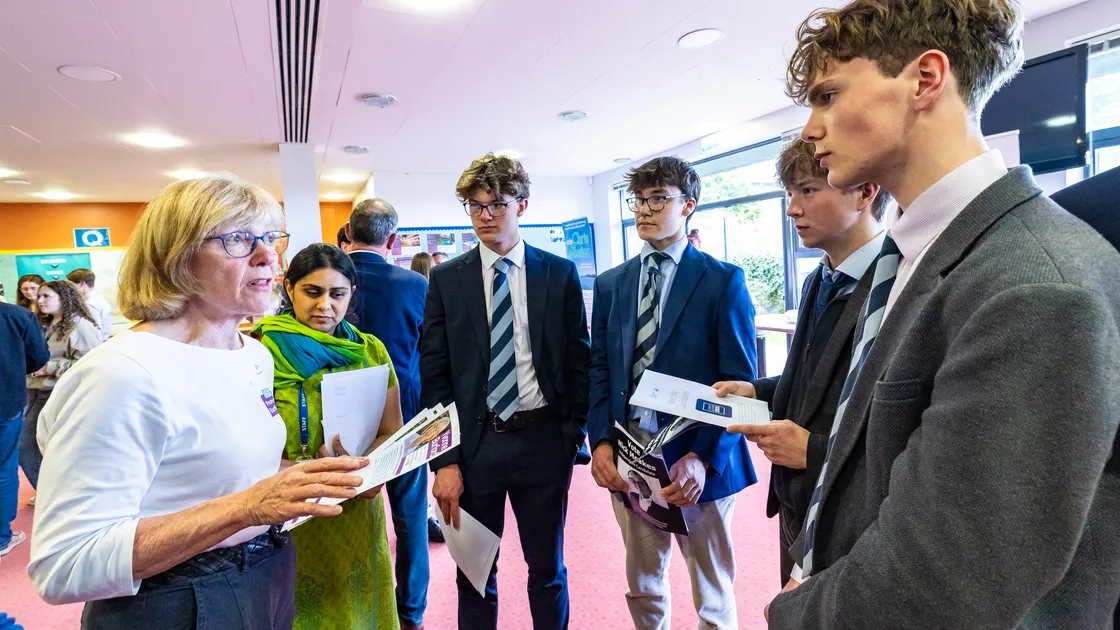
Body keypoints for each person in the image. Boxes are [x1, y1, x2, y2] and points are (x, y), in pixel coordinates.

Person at [760, 1, 1120, 627]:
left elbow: (943, 578)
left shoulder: (1031, 285)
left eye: (826, 96)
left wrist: (794, 613)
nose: (810, 130)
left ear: (925, 79)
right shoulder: (913, 254)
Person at [27, 175, 367, 628]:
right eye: (239, 240)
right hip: (173, 602)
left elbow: (216, 472)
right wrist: (248, 506)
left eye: (270, 238)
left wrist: (298, 478)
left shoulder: (254, 354)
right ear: (178, 259)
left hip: (265, 575)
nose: (269, 256)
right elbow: (66, 564)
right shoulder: (123, 374)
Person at [587, 155, 757, 629]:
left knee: (713, 592)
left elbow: (738, 384)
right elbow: (599, 369)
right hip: (632, 456)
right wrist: (599, 441)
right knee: (643, 585)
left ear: (689, 206)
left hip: (698, 460)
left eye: (659, 198)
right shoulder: (612, 284)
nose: (644, 209)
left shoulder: (723, 280)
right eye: (638, 199)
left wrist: (703, 457)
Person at [423, 153, 589, 629]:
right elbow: (434, 373)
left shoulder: (558, 274)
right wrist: (445, 460)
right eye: (474, 207)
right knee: (474, 573)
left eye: (496, 204)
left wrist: (571, 437)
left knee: (547, 572)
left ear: (524, 205)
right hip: (476, 448)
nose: (484, 217)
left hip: (544, 443)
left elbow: (579, 360)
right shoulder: (447, 279)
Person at [712, 139, 889, 583]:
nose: (792, 209)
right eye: (789, 194)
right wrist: (756, 390)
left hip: (853, 513)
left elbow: (898, 423)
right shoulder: (819, 279)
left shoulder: (899, 283)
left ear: (865, 191)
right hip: (796, 502)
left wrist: (812, 450)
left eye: (807, 191)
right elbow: (813, 379)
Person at [252, 243, 402, 630]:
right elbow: (238, 443)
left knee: (355, 611)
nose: (325, 306)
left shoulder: (369, 351)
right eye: (312, 292)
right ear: (289, 289)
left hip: (354, 509)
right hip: (283, 513)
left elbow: (390, 431)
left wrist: (369, 472)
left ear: (351, 292)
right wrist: (299, 471)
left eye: (337, 294)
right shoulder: (258, 352)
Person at [345, 198, 432, 630]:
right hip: (406, 420)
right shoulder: (416, 285)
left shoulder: (328, 280)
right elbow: (430, 355)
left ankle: (353, 609)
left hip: (338, 425)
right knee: (412, 520)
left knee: (342, 518)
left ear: (347, 233)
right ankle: (411, 612)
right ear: (393, 240)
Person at [21, 280, 102, 502]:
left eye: (46, 296)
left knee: (26, 445)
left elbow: (91, 363)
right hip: (34, 391)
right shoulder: (43, 324)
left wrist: (50, 368)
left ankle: (53, 495)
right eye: (40, 296)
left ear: (64, 298)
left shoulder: (80, 326)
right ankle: (52, 492)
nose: (39, 300)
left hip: (58, 394)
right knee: (39, 445)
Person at [0, 301, 48, 558]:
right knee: (4, 468)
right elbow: (39, 357)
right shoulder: (17, 316)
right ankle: (1, 537)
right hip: (5, 401)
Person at [66, 268, 113, 342]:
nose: (70, 289)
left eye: (71, 286)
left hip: (96, 345)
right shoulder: (99, 299)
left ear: (82, 284)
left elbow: (94, 332)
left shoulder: (89, 304)